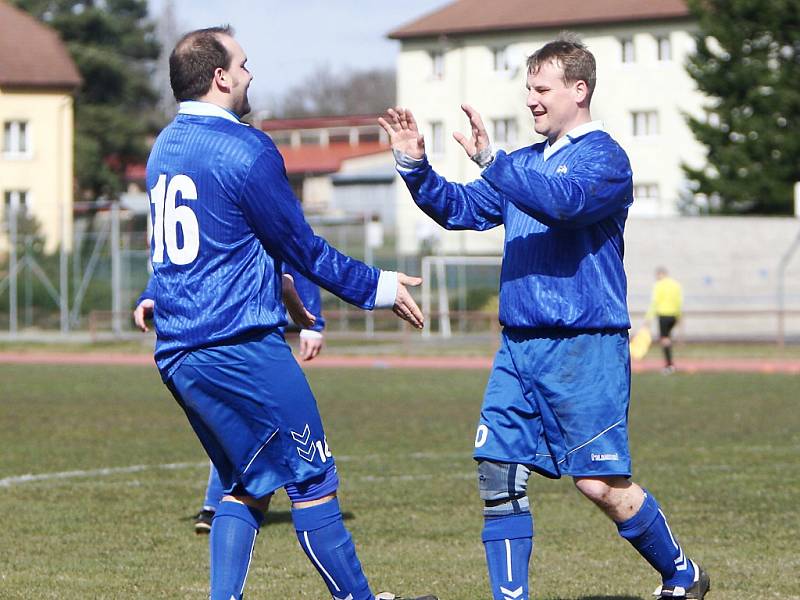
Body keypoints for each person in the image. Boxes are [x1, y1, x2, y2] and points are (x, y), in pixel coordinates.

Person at [379, 33, 709, 600]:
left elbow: (563, 204)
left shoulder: (605, 156)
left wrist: (491, 161)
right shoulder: (523, 164)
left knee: (601, 485)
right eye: (527, 89)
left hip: (585, 344)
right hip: (518, 346)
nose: (531, 99)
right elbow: (461, 210)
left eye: (542, 88)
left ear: (579, 90)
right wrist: (416, 167)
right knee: (497, 470)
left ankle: (682, 574)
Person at [146, 25, 434, 600]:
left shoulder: (165, 147)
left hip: (178, 353)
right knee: (314, 479)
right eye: (245, 64)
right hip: (239, 346)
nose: (252, 74)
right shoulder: (245, 150)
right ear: (222, 77)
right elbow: (301, 249)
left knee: (246, 485)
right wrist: (376, 287)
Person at [135, 266, 329, 536]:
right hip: (218, 340)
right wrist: (151, 294)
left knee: (249, 434)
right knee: (240, 432)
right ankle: (227, 502)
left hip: (246, 335)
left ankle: (222, 504)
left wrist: (312, 323)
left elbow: (297, 253)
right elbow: (175, 262)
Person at [645, 267, 683, 374]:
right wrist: (679, 316)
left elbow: (654, 302)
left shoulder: (659, 285)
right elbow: (679, 301)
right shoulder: (676, 285)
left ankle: (669, 365)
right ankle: (670, 363)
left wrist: (648, 318)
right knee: (667, 338)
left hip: (664, 314)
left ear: (661, 274)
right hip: (674, 315)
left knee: (664, 339)